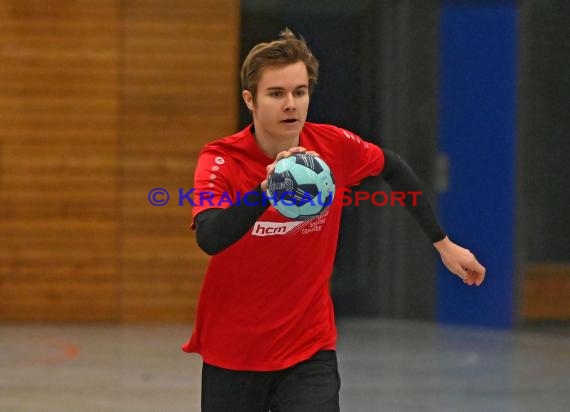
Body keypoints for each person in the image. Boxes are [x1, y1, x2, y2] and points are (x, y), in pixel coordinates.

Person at [184, 28, 486, 412]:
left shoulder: (333, 146)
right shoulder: (221, 160)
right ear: (251, 100)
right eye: (276, 94)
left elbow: (393, 168)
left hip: (308, 348)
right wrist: (266, 190)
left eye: (300, 92)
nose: (290, 104)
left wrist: (442, 243)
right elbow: (210, 237)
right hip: (234, 352)